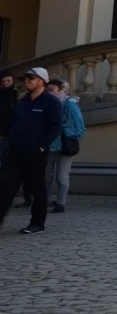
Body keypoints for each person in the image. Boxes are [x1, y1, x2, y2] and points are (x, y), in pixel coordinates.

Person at [0, 68, 62, 235]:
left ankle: (37, 223)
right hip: (15, 152)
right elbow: (14, 122)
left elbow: (56, 126)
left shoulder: (51, 102)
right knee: (5, 187)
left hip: (35, 153)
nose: (26, 81)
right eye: (25, 78)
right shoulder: (22, 101)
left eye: (31, 78)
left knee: (37, 187)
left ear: (42, 81)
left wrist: (42, 144)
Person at [44, 78, 84, 214]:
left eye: (52, 90)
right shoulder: (48, 104)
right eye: (47, 90)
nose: (49, 93)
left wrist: (69, 134)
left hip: (65, 144)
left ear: (60, 90)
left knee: (62, 176)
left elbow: (79, 124)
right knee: (46, 175)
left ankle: (61, 203)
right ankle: (46, 199)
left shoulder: (69, 103)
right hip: (49, 144)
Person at [0, 70, 17, 163]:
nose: (6, 83)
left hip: (11, 132)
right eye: (4, 81)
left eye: (8, 80)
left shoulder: (14, 93)